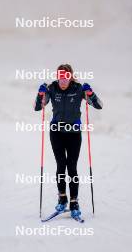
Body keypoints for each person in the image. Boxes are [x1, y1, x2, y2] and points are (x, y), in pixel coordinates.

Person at [34, 64, 103, 219]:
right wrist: (40, 95)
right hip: (56, 133)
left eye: (66, 77)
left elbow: (99, 105)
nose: (63, 81)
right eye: (60, 77)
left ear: (70, 76)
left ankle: (74, 202)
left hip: (73, 134)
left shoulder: (78, 89)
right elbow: (38, 107)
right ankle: (62, 198)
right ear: (57, 76)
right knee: (60, 165)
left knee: (71, 167)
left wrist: (90, 94)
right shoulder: (52, 88)